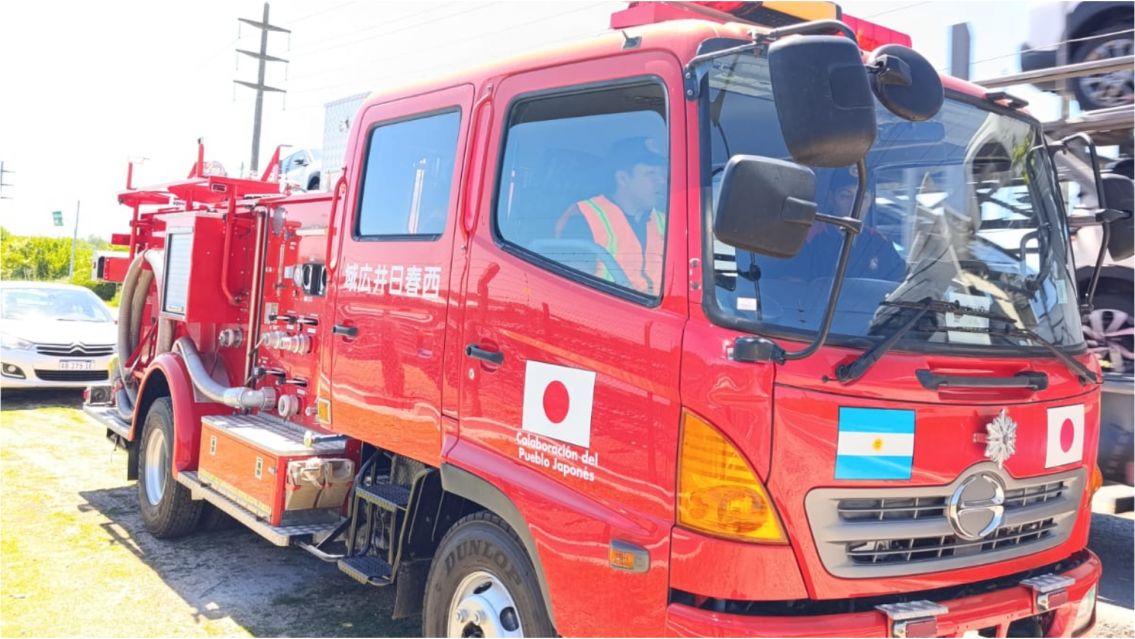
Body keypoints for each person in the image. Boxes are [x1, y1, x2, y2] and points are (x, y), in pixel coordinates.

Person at [554, 137, 668, 295]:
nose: (662, 180)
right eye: (651, 173)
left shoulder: (666, 222)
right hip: (606, 313)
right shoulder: (584, 217)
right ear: (622, 178)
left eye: (663, 173)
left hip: (663, 313)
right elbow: (574, 290)